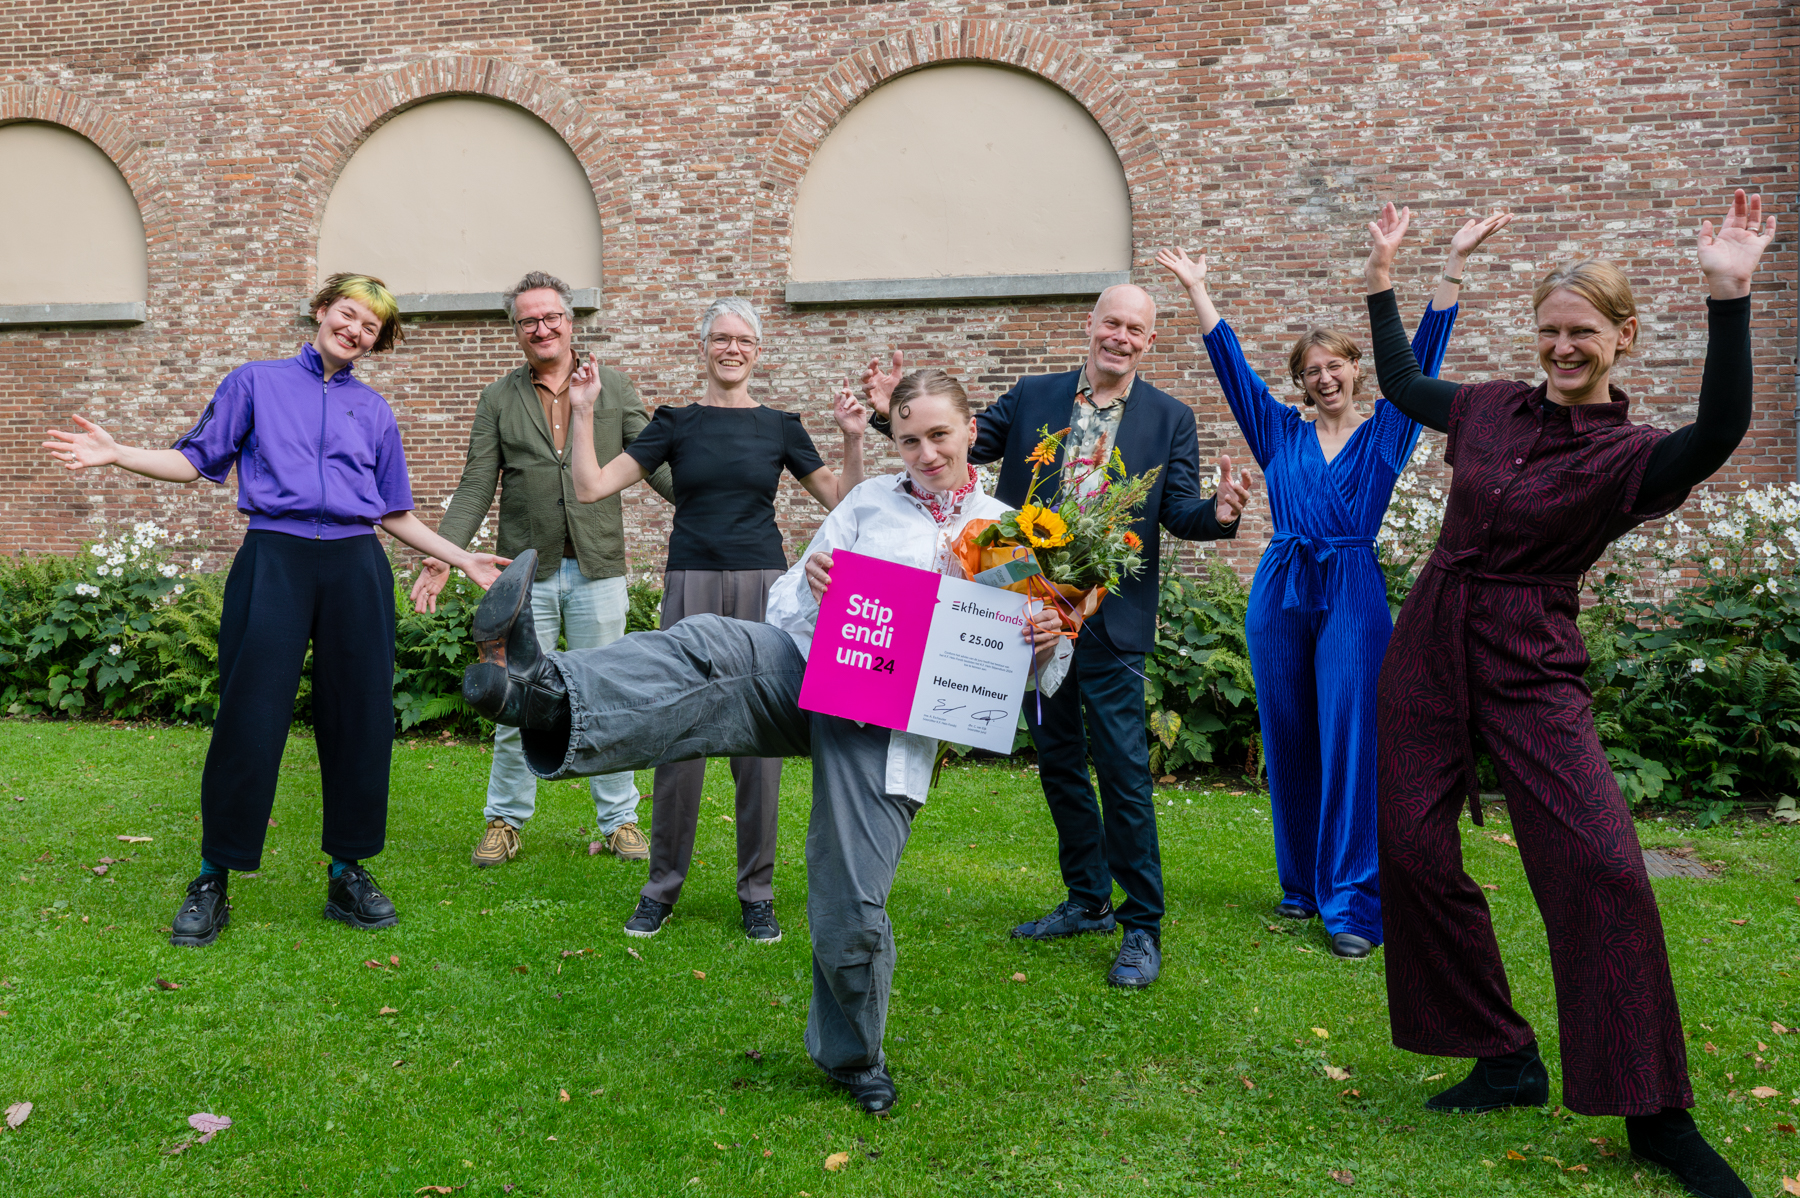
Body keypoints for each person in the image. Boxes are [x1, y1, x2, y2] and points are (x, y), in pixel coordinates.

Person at [459, 370, 1068, 1114]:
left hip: (892, 730)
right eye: (908, 439)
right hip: (813, 675)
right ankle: (540, 688)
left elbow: (1038, 676)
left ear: (971, 430)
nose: (924, 452)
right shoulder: (869, 503)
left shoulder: (1012, 531)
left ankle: (851, 1058)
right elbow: (782, 608)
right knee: (713, 644)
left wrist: (1043, 638)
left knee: (848, 900)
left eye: (939, 435)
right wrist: (812, 583)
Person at [1364, 191, 1773, 1198]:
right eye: (1549, 331)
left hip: (1531, 651)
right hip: (1432, 629)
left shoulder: (1630, 457)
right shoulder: (1494, 405)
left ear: (1622, 337)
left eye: (1581, 333)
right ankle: (1501, 1053)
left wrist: (1729, 298)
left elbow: (1719, 430)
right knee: (1413, 848)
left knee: (1602, 864)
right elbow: (1403, 380)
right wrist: (1384, 276)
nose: (1562, 348)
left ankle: (1655, 1113)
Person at [42, 274, 508, 947]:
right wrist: (118, 455)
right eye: (347, 314)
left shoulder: (374, 412)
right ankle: (212, 877)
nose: (353, 330)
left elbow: (394, 511)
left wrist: (460, 558)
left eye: (368, 327)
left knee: (361, 719)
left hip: (355, 566)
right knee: (249, 716)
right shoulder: (253, 383)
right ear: (322, 312)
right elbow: (195, 460)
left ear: (374, 342)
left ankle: (348, 874)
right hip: (275, 559)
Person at [860, 284, 1253, 989]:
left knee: (1125, 773)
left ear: (1149, 341)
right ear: (1091, 325)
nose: (1121, 338)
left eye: (1136, 329)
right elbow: (950, 443)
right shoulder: (1034, 395)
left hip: (1112, 623)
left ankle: (1141, 928)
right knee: (1062, 762)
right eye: (1112, 323)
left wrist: (1219, 513)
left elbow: (1181, 513)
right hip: (1026, 616)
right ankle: (1086, 899)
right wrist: (898, 410)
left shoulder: (1170, 417)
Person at [1155, 211, 1510, 958]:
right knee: (1288, 735)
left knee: (1351, 738)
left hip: (1349, 585)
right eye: (1309, 371)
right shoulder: (1280, 430)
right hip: (1280, 585)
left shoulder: (1389, 428)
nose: (1322, 379)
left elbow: (1428, 350)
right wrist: (1198, 290)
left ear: (1356, 366)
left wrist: (1449, 262)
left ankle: (1350, 903)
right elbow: (1233, 371)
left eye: (1334, 365)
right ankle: (1303, 884)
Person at [564, 297, 868, 943]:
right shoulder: (676, 422)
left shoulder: (781, 426)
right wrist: (584, 411)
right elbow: (590, 485)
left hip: (766, 586)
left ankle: (757, 893)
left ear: (758, 351)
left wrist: (851, 437)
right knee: (679, 734)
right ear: (702, 347)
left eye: (744, 340)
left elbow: (846, 505)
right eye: (721, 338)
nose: (732, 349)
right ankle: (660, 889)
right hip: (691, 583)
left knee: (761, 746)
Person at [412, 271, 674, 869]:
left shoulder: (614, 386)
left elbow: (653, 463)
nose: (542, 328)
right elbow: (477, 482)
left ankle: (619, 820)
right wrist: (443, 557)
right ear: (517, 330)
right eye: (528, 320)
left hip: (598, 565)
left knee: (607, 695)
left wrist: (714, 506)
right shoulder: (498, 397)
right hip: (523, 573)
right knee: (515, 697)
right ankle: (504, 821)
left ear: (570, 320)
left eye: (550, 316)